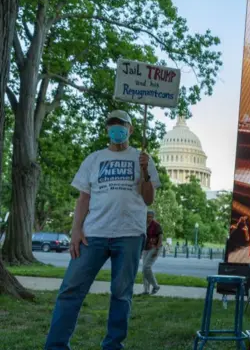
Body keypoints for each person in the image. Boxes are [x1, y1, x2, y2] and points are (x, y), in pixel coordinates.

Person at [45, 110, 161, 350]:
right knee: (70, 290)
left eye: (121, 125)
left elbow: (148, 199)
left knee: (121, 294)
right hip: (93, 234)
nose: (116, 129)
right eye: (112, 125)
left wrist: (145, 172)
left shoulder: (143, 159)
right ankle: (56, 346)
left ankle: (113, 345)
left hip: (129, 234)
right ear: (107, 129)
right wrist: (76, 230)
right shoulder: (94, 159)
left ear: (130, 129)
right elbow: (83, 199)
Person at [141, 210, 163, 295]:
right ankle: (146, 290)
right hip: (146, 248)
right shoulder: (143, 224)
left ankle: (156, 286)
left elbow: (160, 238)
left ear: (153, 217)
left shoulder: (157, 225)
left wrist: (157, 250)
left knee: (146, 267)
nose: (149, 218)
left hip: (155, 248)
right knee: (144, 270)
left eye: (150, 217)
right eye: (147, 216)